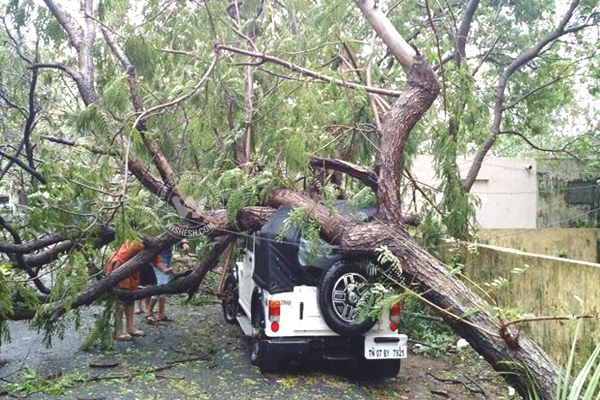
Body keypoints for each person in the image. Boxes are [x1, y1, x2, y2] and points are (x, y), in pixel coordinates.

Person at [106, 240, 166, 340]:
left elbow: (156, 259)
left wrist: (164, 270)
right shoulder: (136, 242)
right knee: (121, 301)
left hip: (133, 272)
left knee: (130, 299)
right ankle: (118, 331)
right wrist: (114, 278)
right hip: (120, 270)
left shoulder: (153, 243)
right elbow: (120, 258)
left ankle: (130, 327)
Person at [145, 245, 175, 323]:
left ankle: (161, 314)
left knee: (163, 288)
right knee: (161, 287)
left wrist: (183, 242)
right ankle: (149, 312)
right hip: (159, 262)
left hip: (165, 261)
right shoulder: (163, 233)